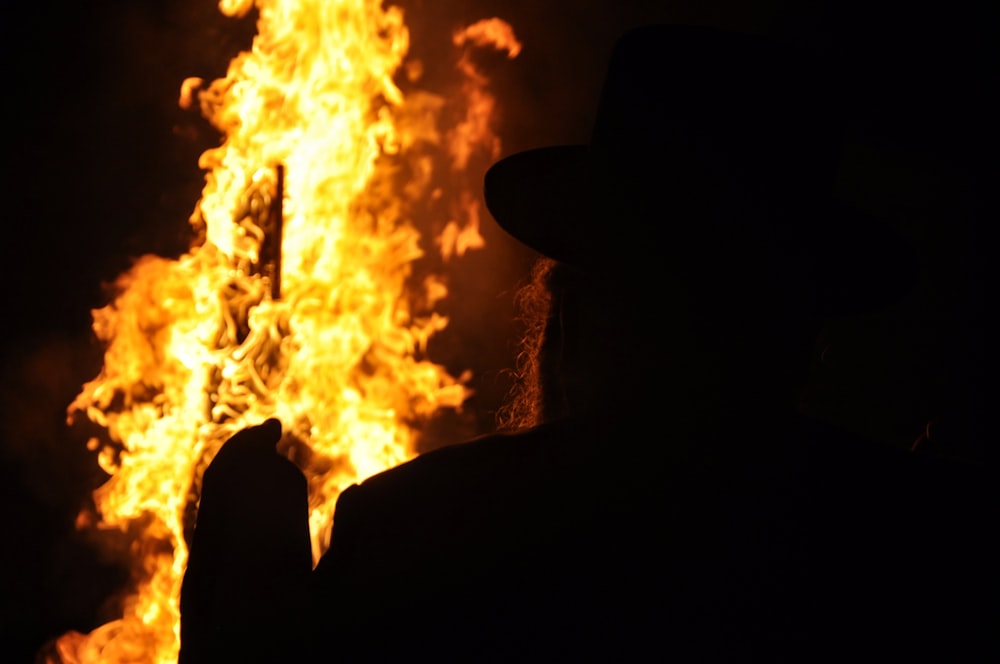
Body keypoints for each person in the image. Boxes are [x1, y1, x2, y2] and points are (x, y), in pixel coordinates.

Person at [180, 24, 994, 662]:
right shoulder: (933, 556)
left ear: (571, 314)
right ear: (804, 326)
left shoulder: (417, 532)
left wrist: (245, 579)